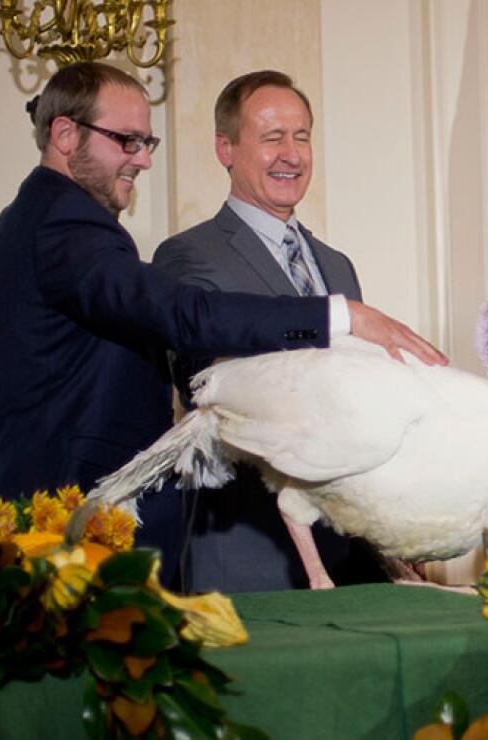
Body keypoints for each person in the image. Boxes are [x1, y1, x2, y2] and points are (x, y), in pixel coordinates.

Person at [0, 63, 444, 574]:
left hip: (83, 524)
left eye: (146, 142)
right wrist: (341, 315)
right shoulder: (64, 223)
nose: (142, 160)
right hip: (65, 524)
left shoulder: (53, 220)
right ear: (65, 134)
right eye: (126, 141)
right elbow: (185, 316)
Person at [151, 70, 384, 593]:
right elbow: (206, 385)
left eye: (301, 137)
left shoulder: (337, 267)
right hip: (243, 555)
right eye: (272, 137)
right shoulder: (188, 256)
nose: (292, 154)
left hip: (340, 558)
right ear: (225, 148)